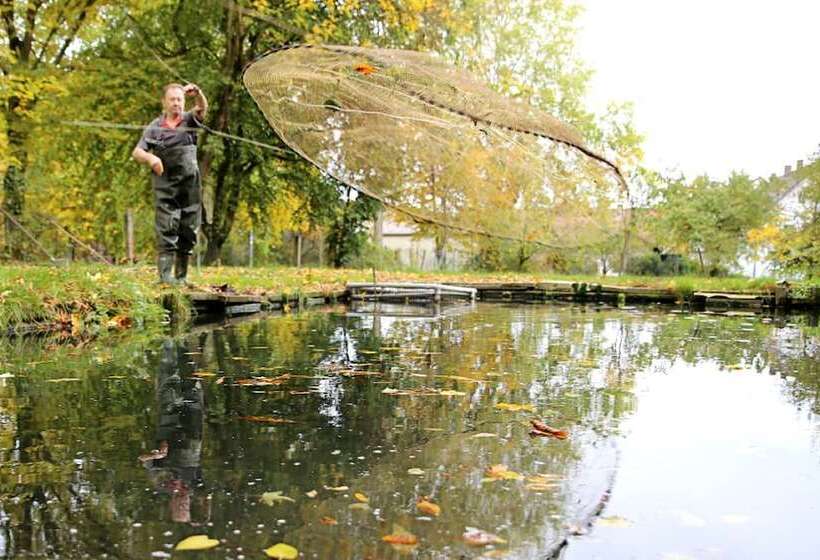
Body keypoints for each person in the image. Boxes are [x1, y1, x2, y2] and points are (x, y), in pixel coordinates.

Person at [132, 83, 208, 285]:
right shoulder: (155, 127)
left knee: (188, 228)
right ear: (164, 102)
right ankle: (165, 277)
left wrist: (198, 94)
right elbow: (137, 151)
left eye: (180, 99)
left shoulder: (190, 119)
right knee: (167, 226)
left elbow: (202, 108)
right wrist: (151, 158)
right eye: (173, 99)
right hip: (165, 185)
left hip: (190, 184)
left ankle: (181, 278)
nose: (177, 103)